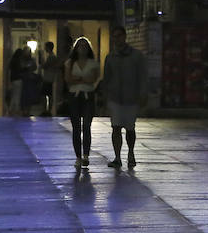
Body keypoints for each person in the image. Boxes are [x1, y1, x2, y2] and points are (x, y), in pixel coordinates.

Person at [101, 24, 147, 169]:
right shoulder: (110, 57)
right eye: (114, 36)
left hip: (131, 97)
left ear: (124, 37)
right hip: (115, 97)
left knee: (130, 128)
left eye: (119, 36)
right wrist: (104, 96)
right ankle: (117, 157)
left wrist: (142, 93)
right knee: (115, 127)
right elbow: (106, 78)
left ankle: (131, 153)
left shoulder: (136, 56)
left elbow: (142, 76)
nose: (117, 39)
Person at [63, 36, 100, 168]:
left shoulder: (93, 63)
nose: (82, 48)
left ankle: (86, 156)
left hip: (88, 95)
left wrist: (78, 79)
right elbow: (68, 79)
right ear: (76, 48)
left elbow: (94, 79)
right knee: (76, 128)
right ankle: (78, 157)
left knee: (87, 126)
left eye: (85, 46)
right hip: (74, 96)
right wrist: (84, 79)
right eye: (80, 46)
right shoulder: (69, 63)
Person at [38, 40, 63, 116]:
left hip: (48, 78)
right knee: (49, 95)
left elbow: (45, 66)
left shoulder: (51, 57)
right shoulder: (52, 56)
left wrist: (41, 58)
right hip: (50, 78)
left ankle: (46, 110)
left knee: (45, 95)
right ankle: (47, 110)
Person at [7, 43, 31, 116]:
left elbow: (10, 72)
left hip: (13, 80)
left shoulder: (12, 61)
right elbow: (21, 70)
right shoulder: (18, 62)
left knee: (13, 96)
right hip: (18, 80)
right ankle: (16, 111)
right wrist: (26, 68)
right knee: (17, 96)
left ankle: (10, 111)